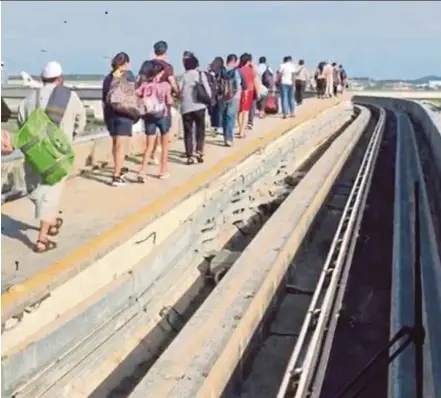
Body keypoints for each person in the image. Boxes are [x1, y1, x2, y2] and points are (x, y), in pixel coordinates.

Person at [9, 61, 86, 253]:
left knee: (36, 191)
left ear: (42, 79)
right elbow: (81, 121)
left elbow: (21, 125)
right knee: (51, 194)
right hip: (57, 157)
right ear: (60, 79)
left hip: (34, 156)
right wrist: (69, 138)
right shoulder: (70, 97)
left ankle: (49, 221)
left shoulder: (29, 99)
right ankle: (42, 240)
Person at [139, 41, 179, 165]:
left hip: (148, 105)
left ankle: (150, 157)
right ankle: (161, 161)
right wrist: (177, 92)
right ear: (165, 52)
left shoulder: (146, 65)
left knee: (150, 132)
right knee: (164, 132)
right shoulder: (167, 67)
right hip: (163, 106)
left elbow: (140, 81)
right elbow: (173, 84)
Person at [102, 52, 136, 187]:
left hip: (111, 114)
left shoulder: (108, 78)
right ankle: (116, 176)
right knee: (121, 145)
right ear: (126, 63)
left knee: (116, 144)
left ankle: (118, 167)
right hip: (124, 114)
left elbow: (104, 98)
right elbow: (134, 93)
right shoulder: (128, 76)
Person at [136, 60, 173, 182]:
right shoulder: (165, 86)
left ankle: (143, 170)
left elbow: (137, 94)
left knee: (149, 146)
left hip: (149, 117)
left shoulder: (145, 85)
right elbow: (169, 101)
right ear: (160, 73)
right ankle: (163, 170)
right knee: (165, 146)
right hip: (163, 116)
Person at [179, 54, 211, 164]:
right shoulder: (200, 74)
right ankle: (199, 151)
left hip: (186, 107)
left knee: (188, 131)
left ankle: (189, 156)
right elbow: (208, 90)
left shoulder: (183, 76)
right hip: (200, 106)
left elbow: (180, 91)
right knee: (200, 130)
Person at [222, 53, 246, 146]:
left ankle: (225, 137)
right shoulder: (238, 72)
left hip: (223, 97)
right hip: (234, 97)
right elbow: (245, 86)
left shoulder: (221, 70)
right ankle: (229, 138)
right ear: (235, 61)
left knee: (224, 117)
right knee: (230, 117)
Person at [237, 53, 257, 138]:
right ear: (249, 61)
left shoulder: (238, 70)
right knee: (246, 112)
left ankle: (240, 128)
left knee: (239, 111)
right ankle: (242, 131)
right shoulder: (251, 70)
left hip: (239, 91)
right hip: (249, 92)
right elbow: (255, 82)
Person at [207, 56, 227, 135]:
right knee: (220, 110)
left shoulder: (211, 69)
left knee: (212, 110)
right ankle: (219, 126)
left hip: (212, 93)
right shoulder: (222, 70)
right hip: (220, 93)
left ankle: (214, 126)